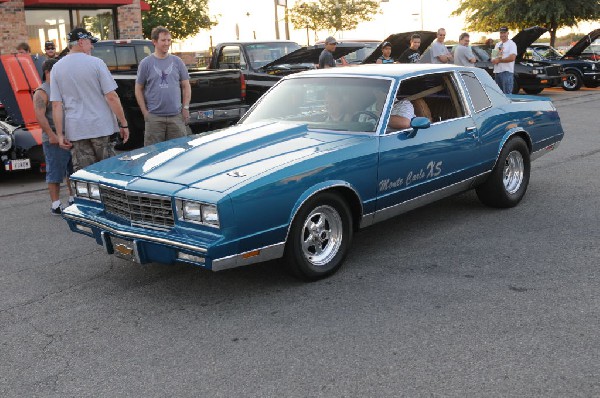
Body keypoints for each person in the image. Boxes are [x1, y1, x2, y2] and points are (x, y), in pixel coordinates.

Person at [50, 27, 129, 171]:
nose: (92, 45)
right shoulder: (96, 63)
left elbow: (56, 105)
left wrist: (60, 134)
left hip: (76, 130)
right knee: (109, 172)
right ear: (81, 42)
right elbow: (111, 96)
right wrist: (123, 124)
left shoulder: (56, 67)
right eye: (90, 42)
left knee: (86, 176)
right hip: (101, 127)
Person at [135, 26, 191, 146]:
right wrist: (145, 112)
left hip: (176, 117)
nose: (167, 43)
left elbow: (186, 86)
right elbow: (138, 88)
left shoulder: (177, 62)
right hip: (154, 118)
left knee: (178, 153)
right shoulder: (146, 63)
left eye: (169, 40)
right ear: (154, 42)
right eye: (163, 40)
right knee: (152, 156)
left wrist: (185, 108)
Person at [34, 58, 74, 215]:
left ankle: (73, 199)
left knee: (73, 172)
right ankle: (56, 205)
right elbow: (39, 116)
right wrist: (52, 135)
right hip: (54, 141)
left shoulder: (62, 88)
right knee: (55, 172)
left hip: (71, 137)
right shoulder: (42, 91)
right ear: (48, 72)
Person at [492, 26, 518, 94]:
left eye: (504, 33)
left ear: (508, 33)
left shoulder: (512, 44)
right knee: (498, 95)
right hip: (497, 72)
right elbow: (493, 57)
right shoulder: (497, 44)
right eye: (501, 33)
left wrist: (499, 60)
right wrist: (494, 59)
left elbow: (512, 58)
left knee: (507, 94)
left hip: (506, 72)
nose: (502, 35)